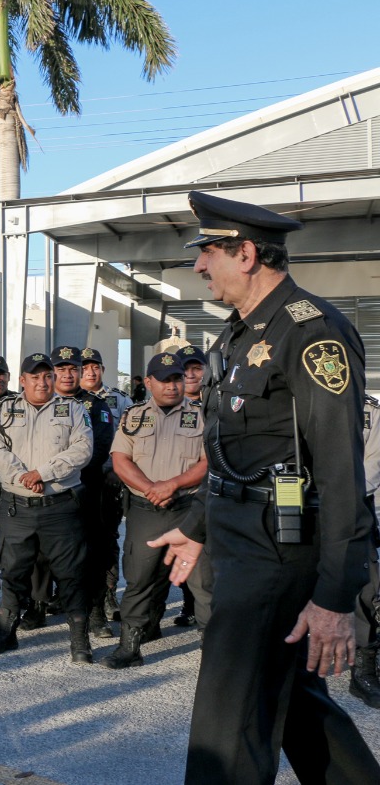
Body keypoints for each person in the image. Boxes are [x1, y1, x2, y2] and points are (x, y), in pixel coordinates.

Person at [148, 190, 379, 783]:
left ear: (246, 253)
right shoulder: (238, 335)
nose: (199, 265)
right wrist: (199, 526)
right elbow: (236, 453)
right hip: (244, 542)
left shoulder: (313, 334)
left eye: (208, 252)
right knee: (294, 702)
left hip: (279, 553)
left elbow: (340, 474)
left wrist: (333, 598)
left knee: (228, 725)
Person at [0, 352, 94, 663]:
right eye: (35, 377)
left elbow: (83, 449)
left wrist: (42, 474)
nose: (42, 382)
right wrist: (20, 476)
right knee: (12, 571)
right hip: (17, 506)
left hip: (59, 506)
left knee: (71, 574)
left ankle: (79, 640)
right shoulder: (4, 408)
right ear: (22, 380)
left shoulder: (72, 408)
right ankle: (6, 632)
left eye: (47, 376)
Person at [103, 352, 210, 669]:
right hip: (146, 509)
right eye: (164, 379)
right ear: (149, 382)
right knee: (139, 577)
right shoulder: (133, 416)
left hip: (190, 509)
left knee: (204, 582)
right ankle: (130, 646)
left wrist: (172, 485)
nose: (172, 385)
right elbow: (121, 460)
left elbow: (209, 463)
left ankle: (214, 647)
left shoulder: (203, 415)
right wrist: (152, 488)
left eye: (177, 378)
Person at [35, 346, 114, 639]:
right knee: (42, 552)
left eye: (73, 369)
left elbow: (98, 449)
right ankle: (37, 605)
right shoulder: (38, 405)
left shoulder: (96, 406)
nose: (67, 375)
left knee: (90, 552)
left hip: (86, 489)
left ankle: (94, 613)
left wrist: (62, 469)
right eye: (61, 368)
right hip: (47, 489)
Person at [80, 346, 132, 625]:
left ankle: (108, 593)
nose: (90, 371)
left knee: (107, 539)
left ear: (102, 369)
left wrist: (119, 472)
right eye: (85, 366)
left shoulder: (119, 400)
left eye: (95, 366)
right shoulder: (69, 399)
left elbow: (131, 438)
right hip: (76, 480)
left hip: (108, 479)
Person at [173, 343, 209, 627]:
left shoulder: (220, 401)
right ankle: (188, 603)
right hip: (180, 493)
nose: (191, 374)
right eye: (185, 369)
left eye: (196, 368)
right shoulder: (166, 405)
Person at [351, 393, 380, 707]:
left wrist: (343, 498)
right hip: (301, 503)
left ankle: (363, 668)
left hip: (359, 507)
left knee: (368, 587)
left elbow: (375, 462)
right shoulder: (299, 398)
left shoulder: (371, 410)